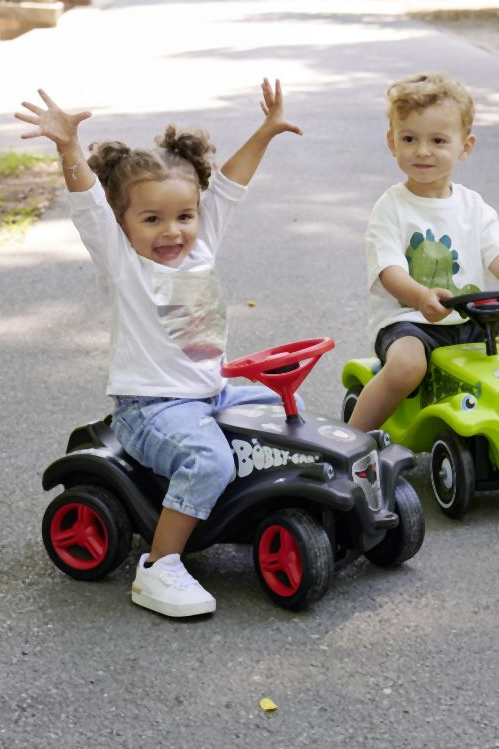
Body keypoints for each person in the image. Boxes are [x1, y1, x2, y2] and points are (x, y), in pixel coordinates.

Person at [15, 80, 302, 619]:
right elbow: (88, 204)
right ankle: (161, 564)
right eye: (152, 220)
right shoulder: (124, 264)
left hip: (211, 394)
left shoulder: (202, 244)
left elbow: (230, 185)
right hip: (151, 408)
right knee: (208, 458)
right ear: (122, 223)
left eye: (184, 217)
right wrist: (68, 146)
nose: (172, 232)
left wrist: (265, 131)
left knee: (290, 416)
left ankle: (246, 512)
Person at [347, 71, 499, 435]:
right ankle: (350, 442)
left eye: (437, 140)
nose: (422, 151)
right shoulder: (391, 207)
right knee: (407, 366)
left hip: (473, 322)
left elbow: (498, 250)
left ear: (464, 147)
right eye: (409, 138)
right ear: (392, 142)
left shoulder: (473, 205)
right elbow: (389, 271)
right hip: (411, 323)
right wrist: (420, 297)